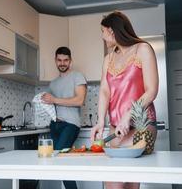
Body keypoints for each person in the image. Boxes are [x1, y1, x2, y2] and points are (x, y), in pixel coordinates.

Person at [90, 11, 159, 189]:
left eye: (103, 31)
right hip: (116, 128)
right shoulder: (108, 58)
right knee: (117, 181)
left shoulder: (143, 49)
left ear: (112, 31)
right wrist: (100, 121)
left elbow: (151, 91)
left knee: (122, 179)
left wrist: (128, 115)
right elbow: (105, 91)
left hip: (142, 125)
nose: (102, 36)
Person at [42, 46, 87, 189]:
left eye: (65, 60)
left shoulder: (77, 76)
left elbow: (80, 100)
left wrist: (54, 99)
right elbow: (51, 105)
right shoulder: (52, 83)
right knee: (58, 163)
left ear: (70, 61)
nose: (62, 63)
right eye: (59, 60)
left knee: (59, 161)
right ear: (55, 61)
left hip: (70, 125)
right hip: (55, 125)